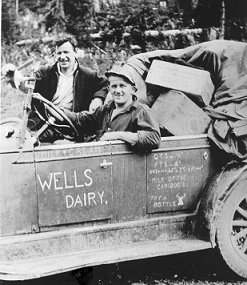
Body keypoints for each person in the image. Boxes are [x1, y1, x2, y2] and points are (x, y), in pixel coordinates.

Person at [63, 64, 161, 152]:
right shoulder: (105, 109)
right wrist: (60, 112)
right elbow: (82, 119)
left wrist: (117, 135)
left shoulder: (141, 111)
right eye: (114, 86)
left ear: (133, 89)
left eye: (122, 86)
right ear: (109, 89)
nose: (118, 91)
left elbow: (154, 138)